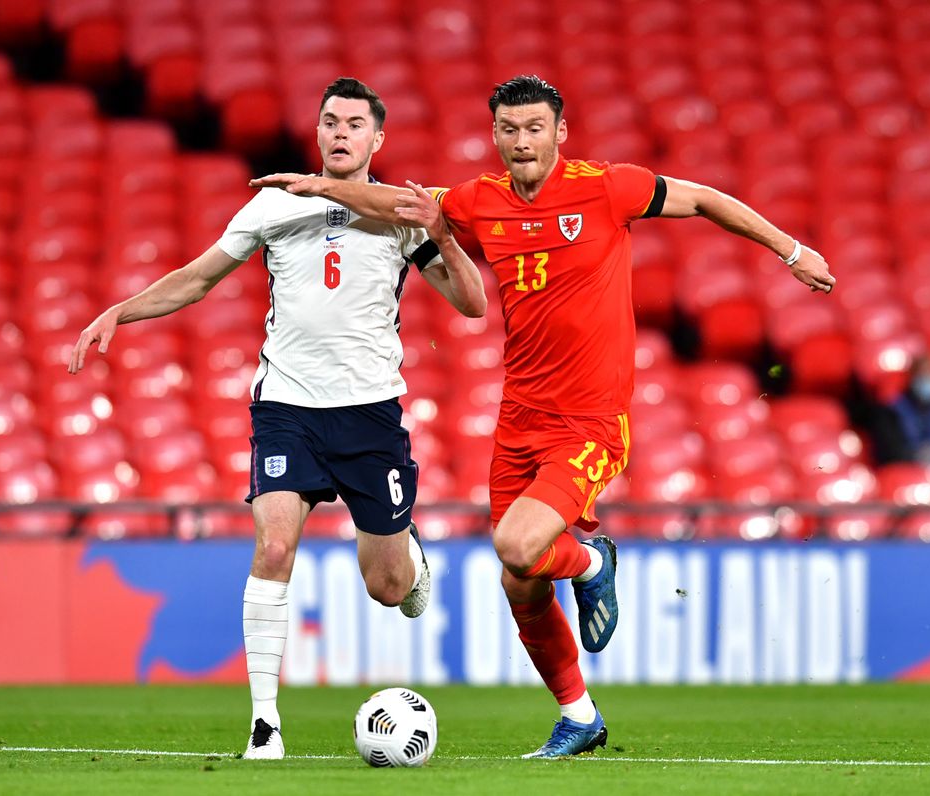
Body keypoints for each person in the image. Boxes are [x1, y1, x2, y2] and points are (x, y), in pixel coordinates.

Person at [251, 75, 836, 758]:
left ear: (561, 132)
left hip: (589, 420)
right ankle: (580, 716)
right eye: (509, 129)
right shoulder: (481, 199)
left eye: (535, 128)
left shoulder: (609, 187)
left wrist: (791, 251)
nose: (522, 141)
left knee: (518, 547)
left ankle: (590, 562)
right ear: (494, 135)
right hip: (519, 418)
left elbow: (703, 198)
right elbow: (402, 203)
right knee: (519, 580)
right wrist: (324, 187)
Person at [68, 77, 487, 760]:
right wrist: (120, 310)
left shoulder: (402, 214)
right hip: (287, 408)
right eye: (330, 121)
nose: (341, 132)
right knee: (273, 548)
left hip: (369, 415)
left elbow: (472, 305)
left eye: (355, 123)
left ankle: (407, 552)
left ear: (378, 139)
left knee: (387, 588)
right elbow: (198, 277)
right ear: (317, 133)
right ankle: (265, 725)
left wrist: (440, 229)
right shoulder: (271, 206)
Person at [870, 354, 930, 472]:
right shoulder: (891, 414)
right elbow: (890, 451)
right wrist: (916, 457)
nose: (929, 380)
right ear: (912, 378)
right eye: (923, 375)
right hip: (910, 476)